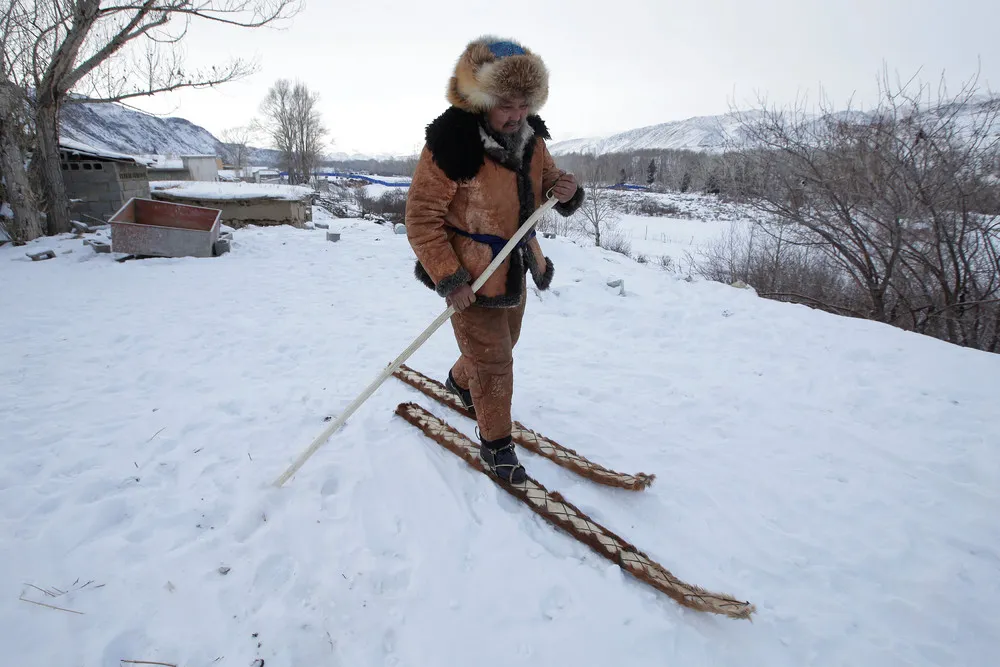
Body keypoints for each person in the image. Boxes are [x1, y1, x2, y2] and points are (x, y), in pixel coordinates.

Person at [405, 36, 584, 484]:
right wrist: (450, 278)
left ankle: (460, 381)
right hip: (471, 272)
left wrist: (566, 190)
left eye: (524, 103)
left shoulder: (531, 139)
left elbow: (548, 182)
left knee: (507, 342)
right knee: (495, 362)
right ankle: (496, 446)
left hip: (515, 266)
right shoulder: (451, 144)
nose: (516, 114)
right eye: (506, 103)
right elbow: (422, 219)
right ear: (481, 97)